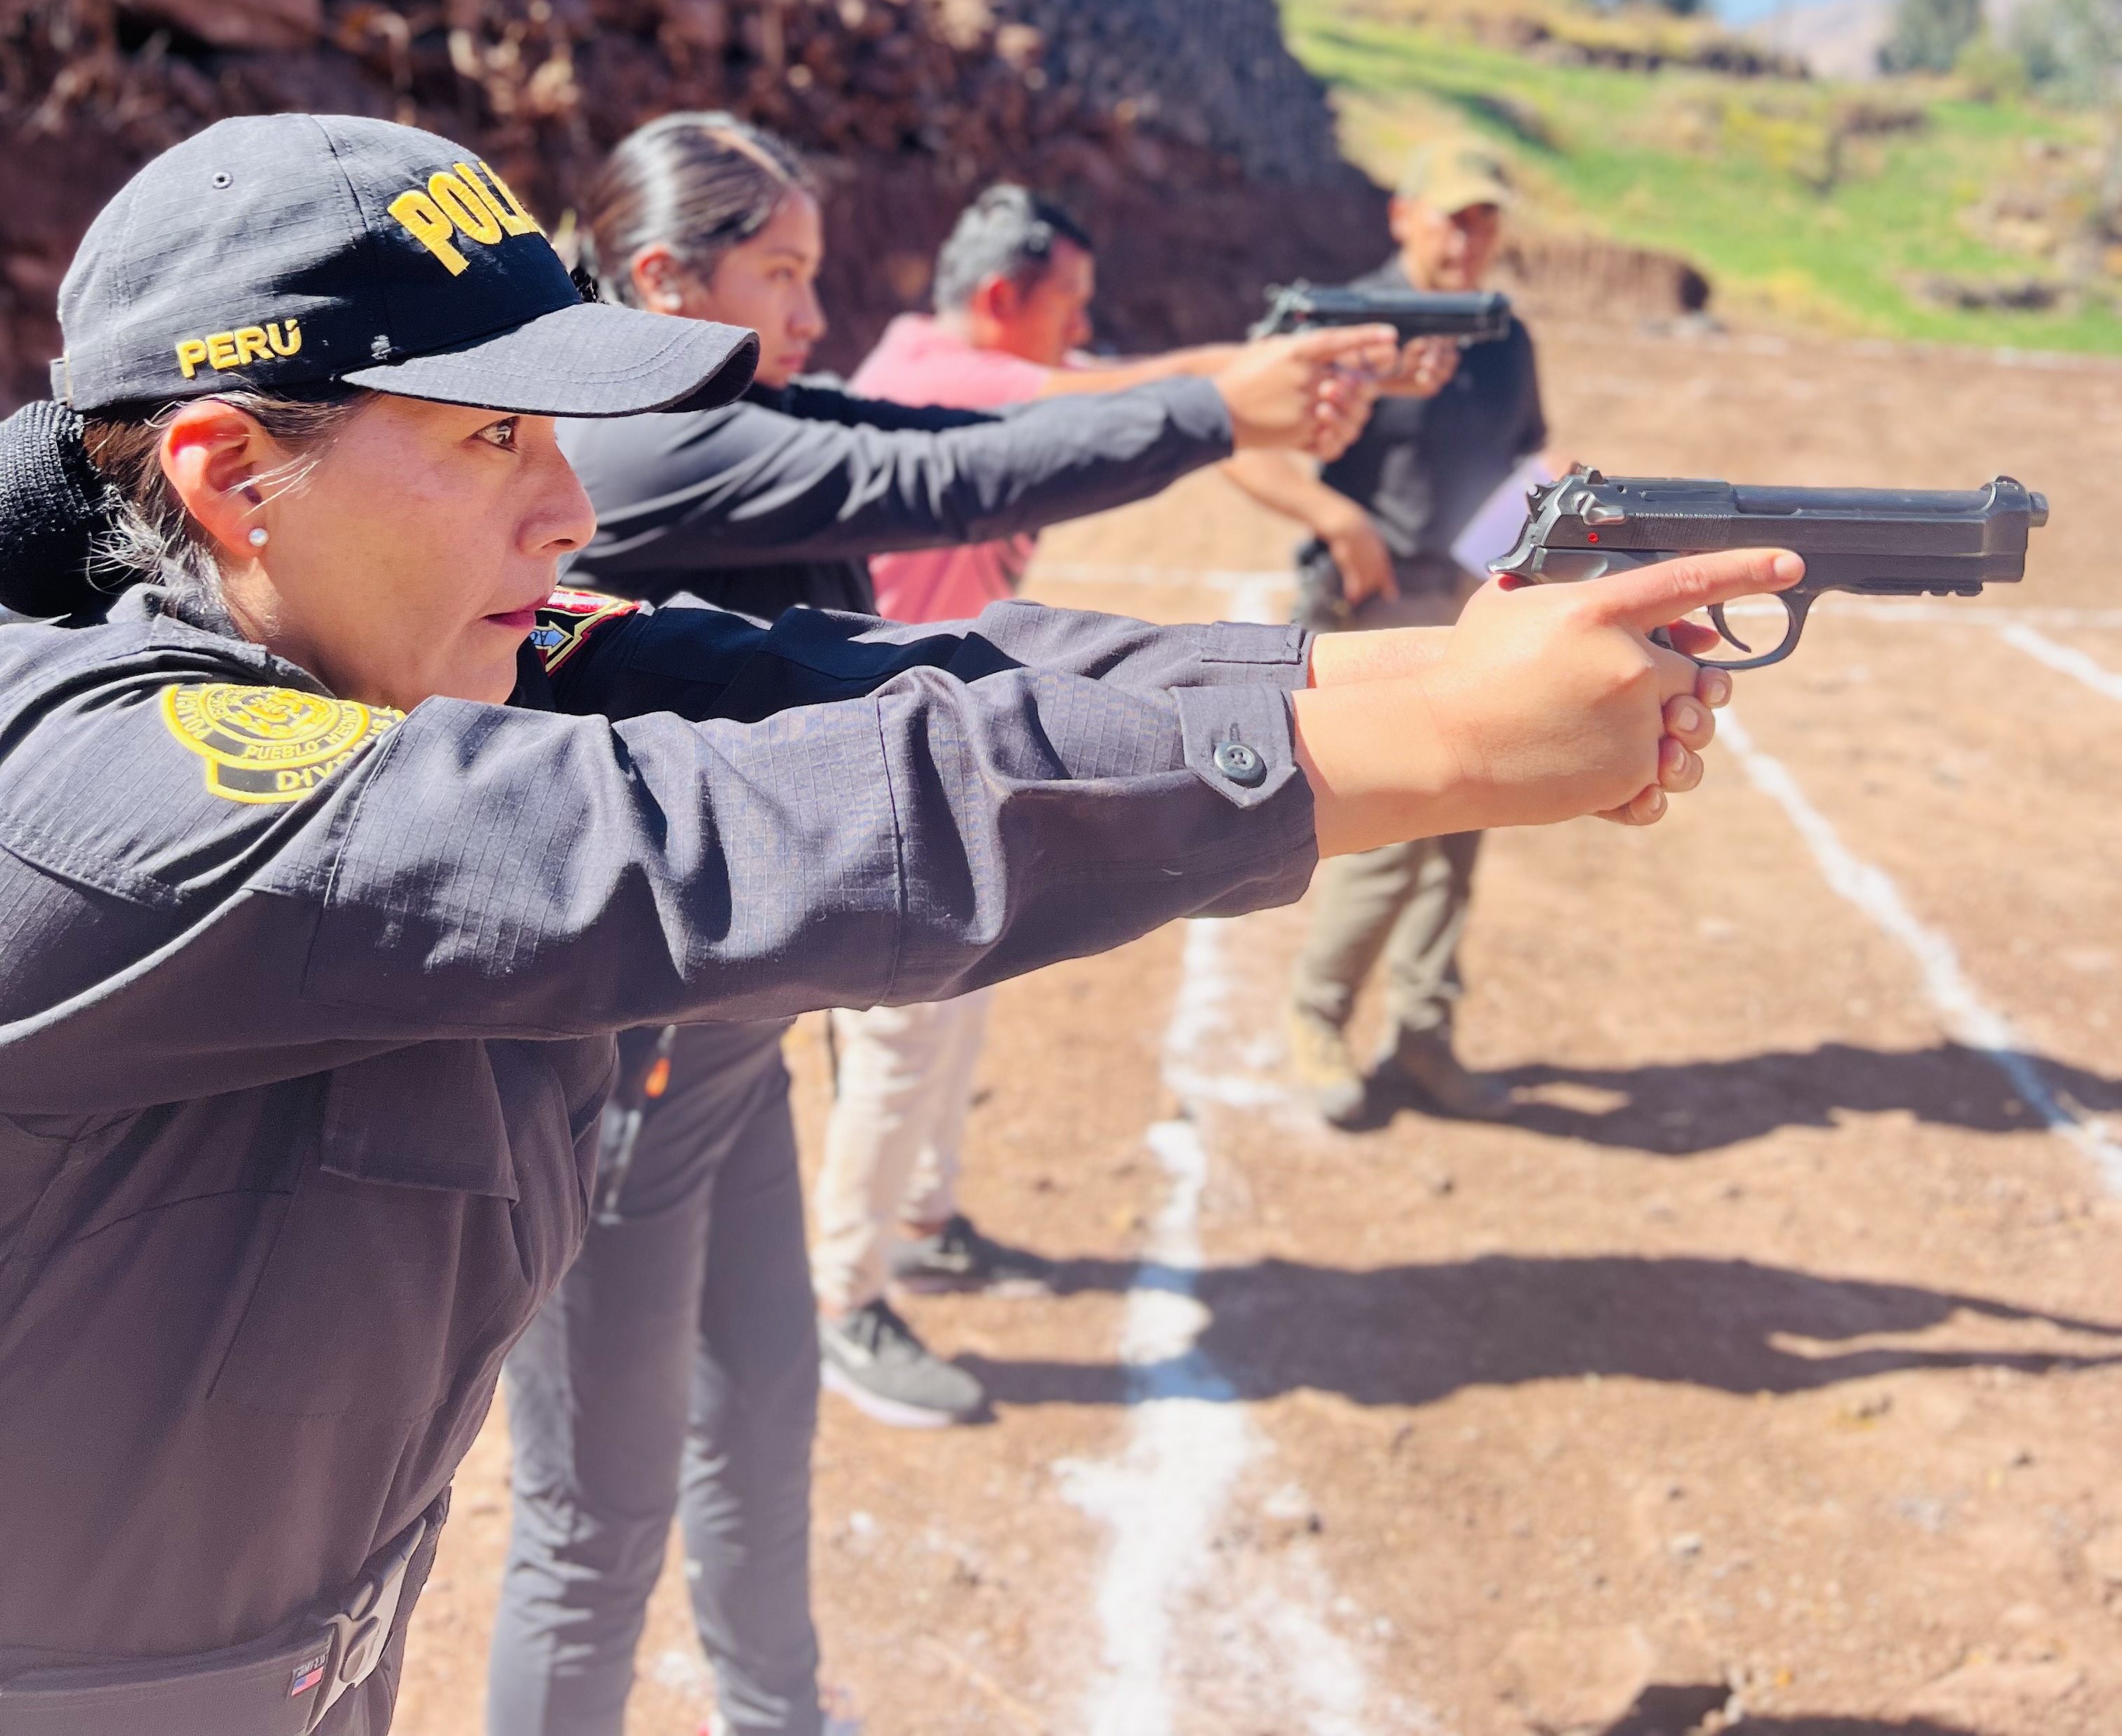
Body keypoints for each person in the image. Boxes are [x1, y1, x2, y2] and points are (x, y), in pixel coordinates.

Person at [0, 106, 1777, 1734]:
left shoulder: (401, 648)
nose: (567, 506)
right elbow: (731, 829)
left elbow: (870, 677)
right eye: (489, 438)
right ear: (234, 477)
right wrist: (1415, 741)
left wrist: (1415, 695)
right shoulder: (109, 789)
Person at [491, 118, 1388, 1732]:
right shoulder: (634, 444)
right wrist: (1208, 412)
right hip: (619, 1076)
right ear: (659, 279)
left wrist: (1210, 393)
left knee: (762, 1417)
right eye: (784, 277)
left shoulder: (725, 407)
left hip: (729, 1046)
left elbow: (911, 420)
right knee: (591, 1525)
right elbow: (929, 473)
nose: (816, 315)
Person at [806, 182, 1289, 1430]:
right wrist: (1243, 376)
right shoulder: (939, 371)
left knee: (957, 990)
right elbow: (1118, 399)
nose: (1083, 331)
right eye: (1067, 306)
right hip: (865, 742)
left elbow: (1104, 386)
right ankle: (839, 1299)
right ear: (1005, 298)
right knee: (900, 1024)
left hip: (925, 724)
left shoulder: (972, 365)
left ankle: (923, 1222)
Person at [1232, 141, 1549, 1130]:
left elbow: (1527, 455)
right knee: (1382, 842)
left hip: (1463, 608)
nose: (1471, 237)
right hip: (1362, 615)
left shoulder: (1506, 336)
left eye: (1487, 218)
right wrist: (1340, 522)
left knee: (1462, 840)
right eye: (1455, 216)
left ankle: (1423, 1036)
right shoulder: (1341, 322)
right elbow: (1236, 439)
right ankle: (1319, 1022)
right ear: (1403, 216)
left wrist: (1511, 545)